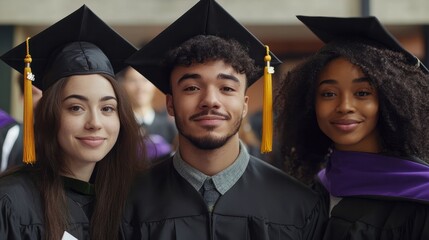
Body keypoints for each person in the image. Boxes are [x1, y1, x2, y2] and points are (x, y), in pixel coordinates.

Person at [122, 0, 327, 239]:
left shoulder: (298, 205)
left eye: (227, 88)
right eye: (191, 88)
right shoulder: (129, 202)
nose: (210, 100)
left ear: (244, 106)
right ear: (170, 103)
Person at [275, 15, 429, 239]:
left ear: (388, 101)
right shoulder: (315, 188)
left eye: (362, 93)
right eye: (328, 94)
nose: (344, 106)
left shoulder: (419, 195)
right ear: (310, 104)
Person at [0, 5, 146, 240]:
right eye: (76, 108)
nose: (94, 122)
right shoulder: (11, 203)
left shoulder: (126, 202)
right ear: (50, 115)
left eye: (107, 108)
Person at [117, 66, 177, 162]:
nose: (140, 87)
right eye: (133, 81)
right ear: (123, 85)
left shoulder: (169, 125)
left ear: (153, 85)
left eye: (145, 80)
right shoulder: (120, 126)